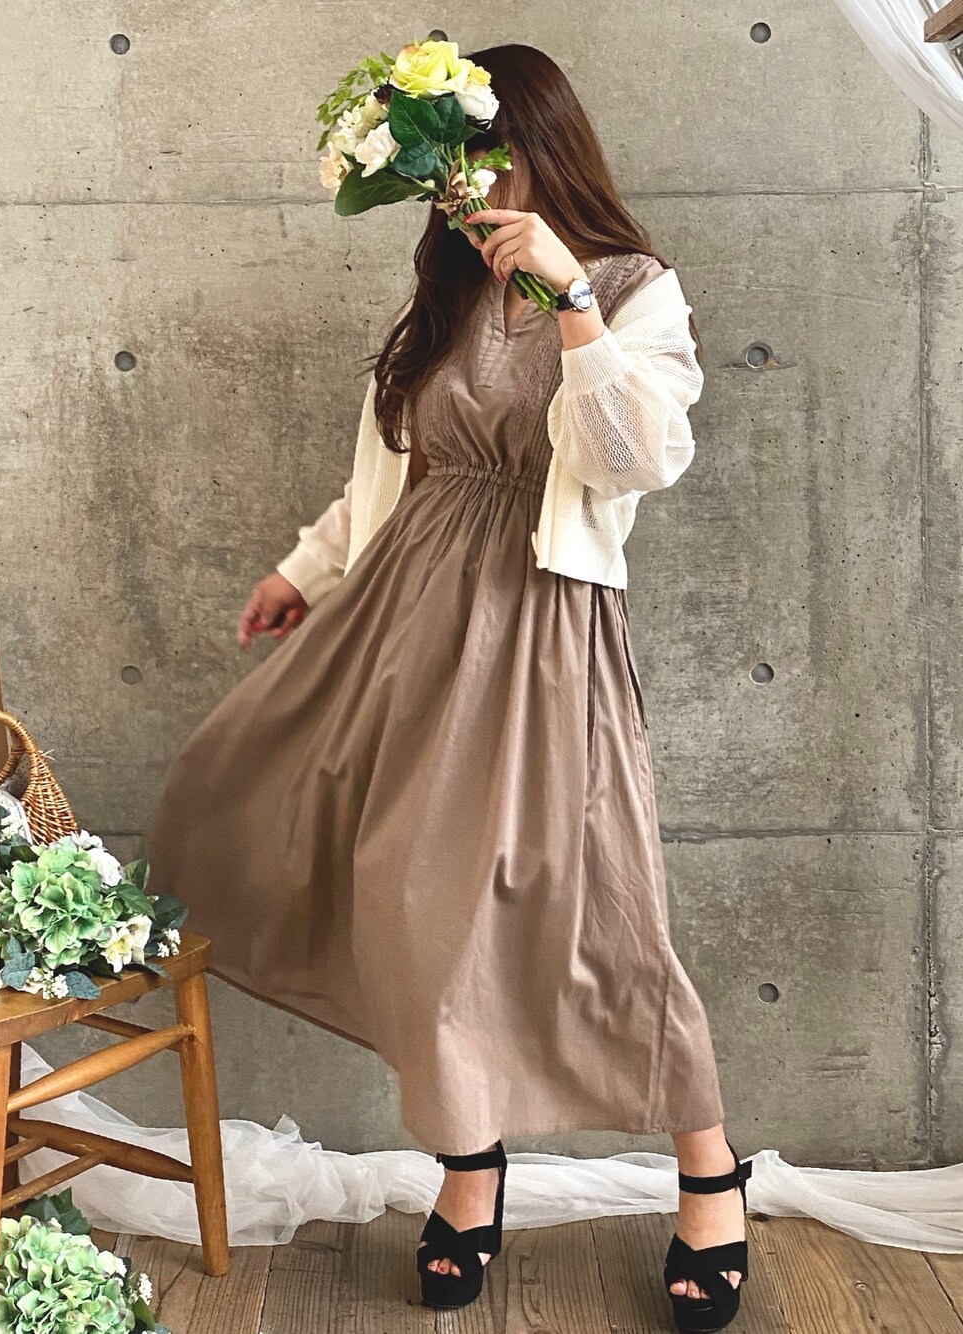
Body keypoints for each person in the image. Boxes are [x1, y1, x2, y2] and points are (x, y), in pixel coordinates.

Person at [143, 41, 754, 1333]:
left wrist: (570, 297)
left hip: (541, 636)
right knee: (414, 911)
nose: (463, 193)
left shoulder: (631, 287)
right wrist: (305, 569)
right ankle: (470, 1167)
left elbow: (633, 455)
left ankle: (710, 1175)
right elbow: (397, 464)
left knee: (598, 920)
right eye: (444, 172)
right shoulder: (447, 291)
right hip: (403, 625)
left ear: (540, 148)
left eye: (481, 161)